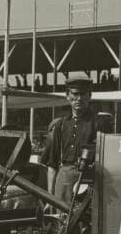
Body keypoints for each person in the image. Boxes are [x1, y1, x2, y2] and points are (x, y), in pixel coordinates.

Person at [39, 75, 99, 204]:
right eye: (75, 94)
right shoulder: (61, 125)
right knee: (60, 220)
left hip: (88, 181)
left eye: (83, 94)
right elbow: (52, 164)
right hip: (63, 179)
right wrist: (50, 196)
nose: (79, 98)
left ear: (90, 95)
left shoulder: (98, 123)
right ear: (67, 96)